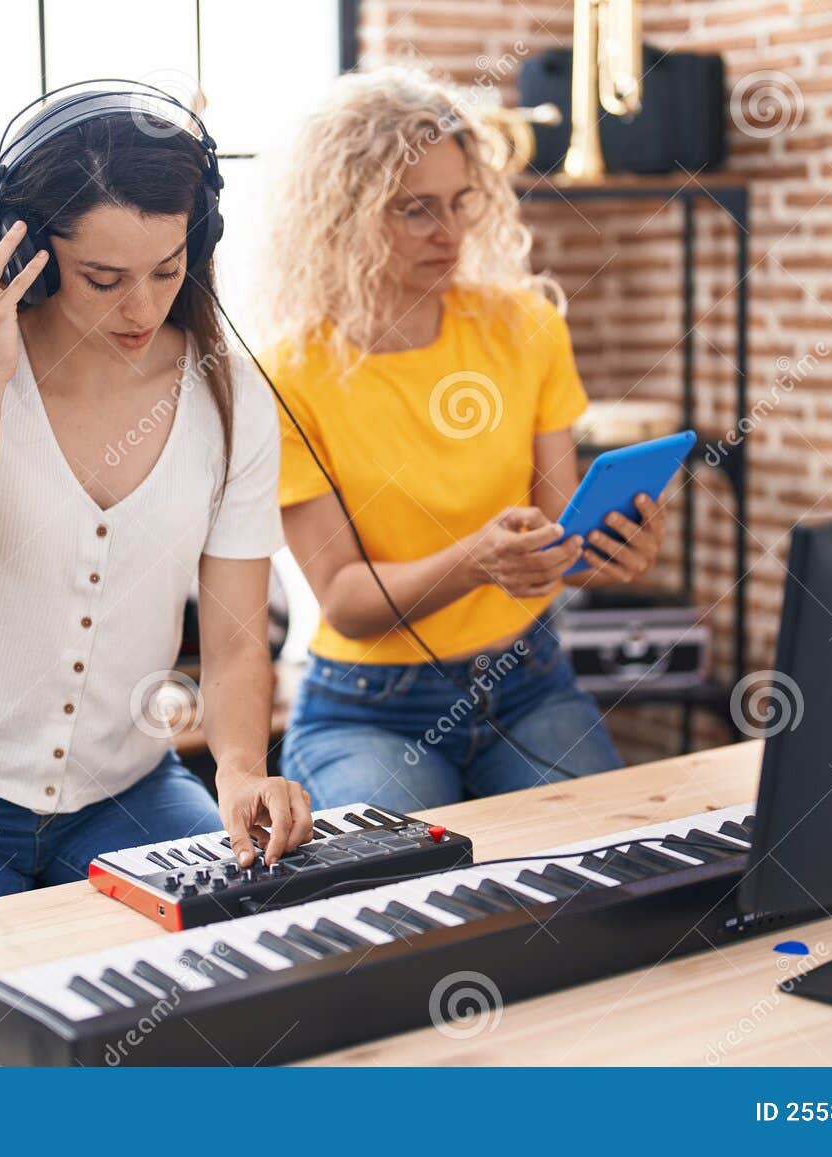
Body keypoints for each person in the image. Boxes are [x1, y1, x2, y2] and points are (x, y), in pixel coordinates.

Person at [0, 88, 312, 922]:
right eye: (105, 278)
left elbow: (237, 636)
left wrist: (242, 768)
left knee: (255, 948)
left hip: (127, 795)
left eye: (167, 270)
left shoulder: (234, 396)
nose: (142, 308)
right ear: (18, 250)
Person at [259, 68, 668, 814]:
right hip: (368, 706)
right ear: (343, 216)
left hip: (529, 678)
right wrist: (474, 561)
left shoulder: (527, 327)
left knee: (618, 866)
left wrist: (608, 552)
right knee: (407, 907)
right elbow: (348, 602)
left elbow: (553, 542)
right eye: (415, 210)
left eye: (459, 202)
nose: (449, 233)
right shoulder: (290, 373)